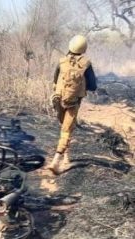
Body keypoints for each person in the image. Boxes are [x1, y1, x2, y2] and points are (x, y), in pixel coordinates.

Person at [47, 35, 97, 175]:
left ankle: (66, 158)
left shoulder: (61, 61)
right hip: (73, 102)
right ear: (84, 48)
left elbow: (55, 81)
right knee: (67, 130)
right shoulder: (86, 63)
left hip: (58, 99)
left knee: (64, 127)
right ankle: (56, 161)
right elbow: (93, 86)